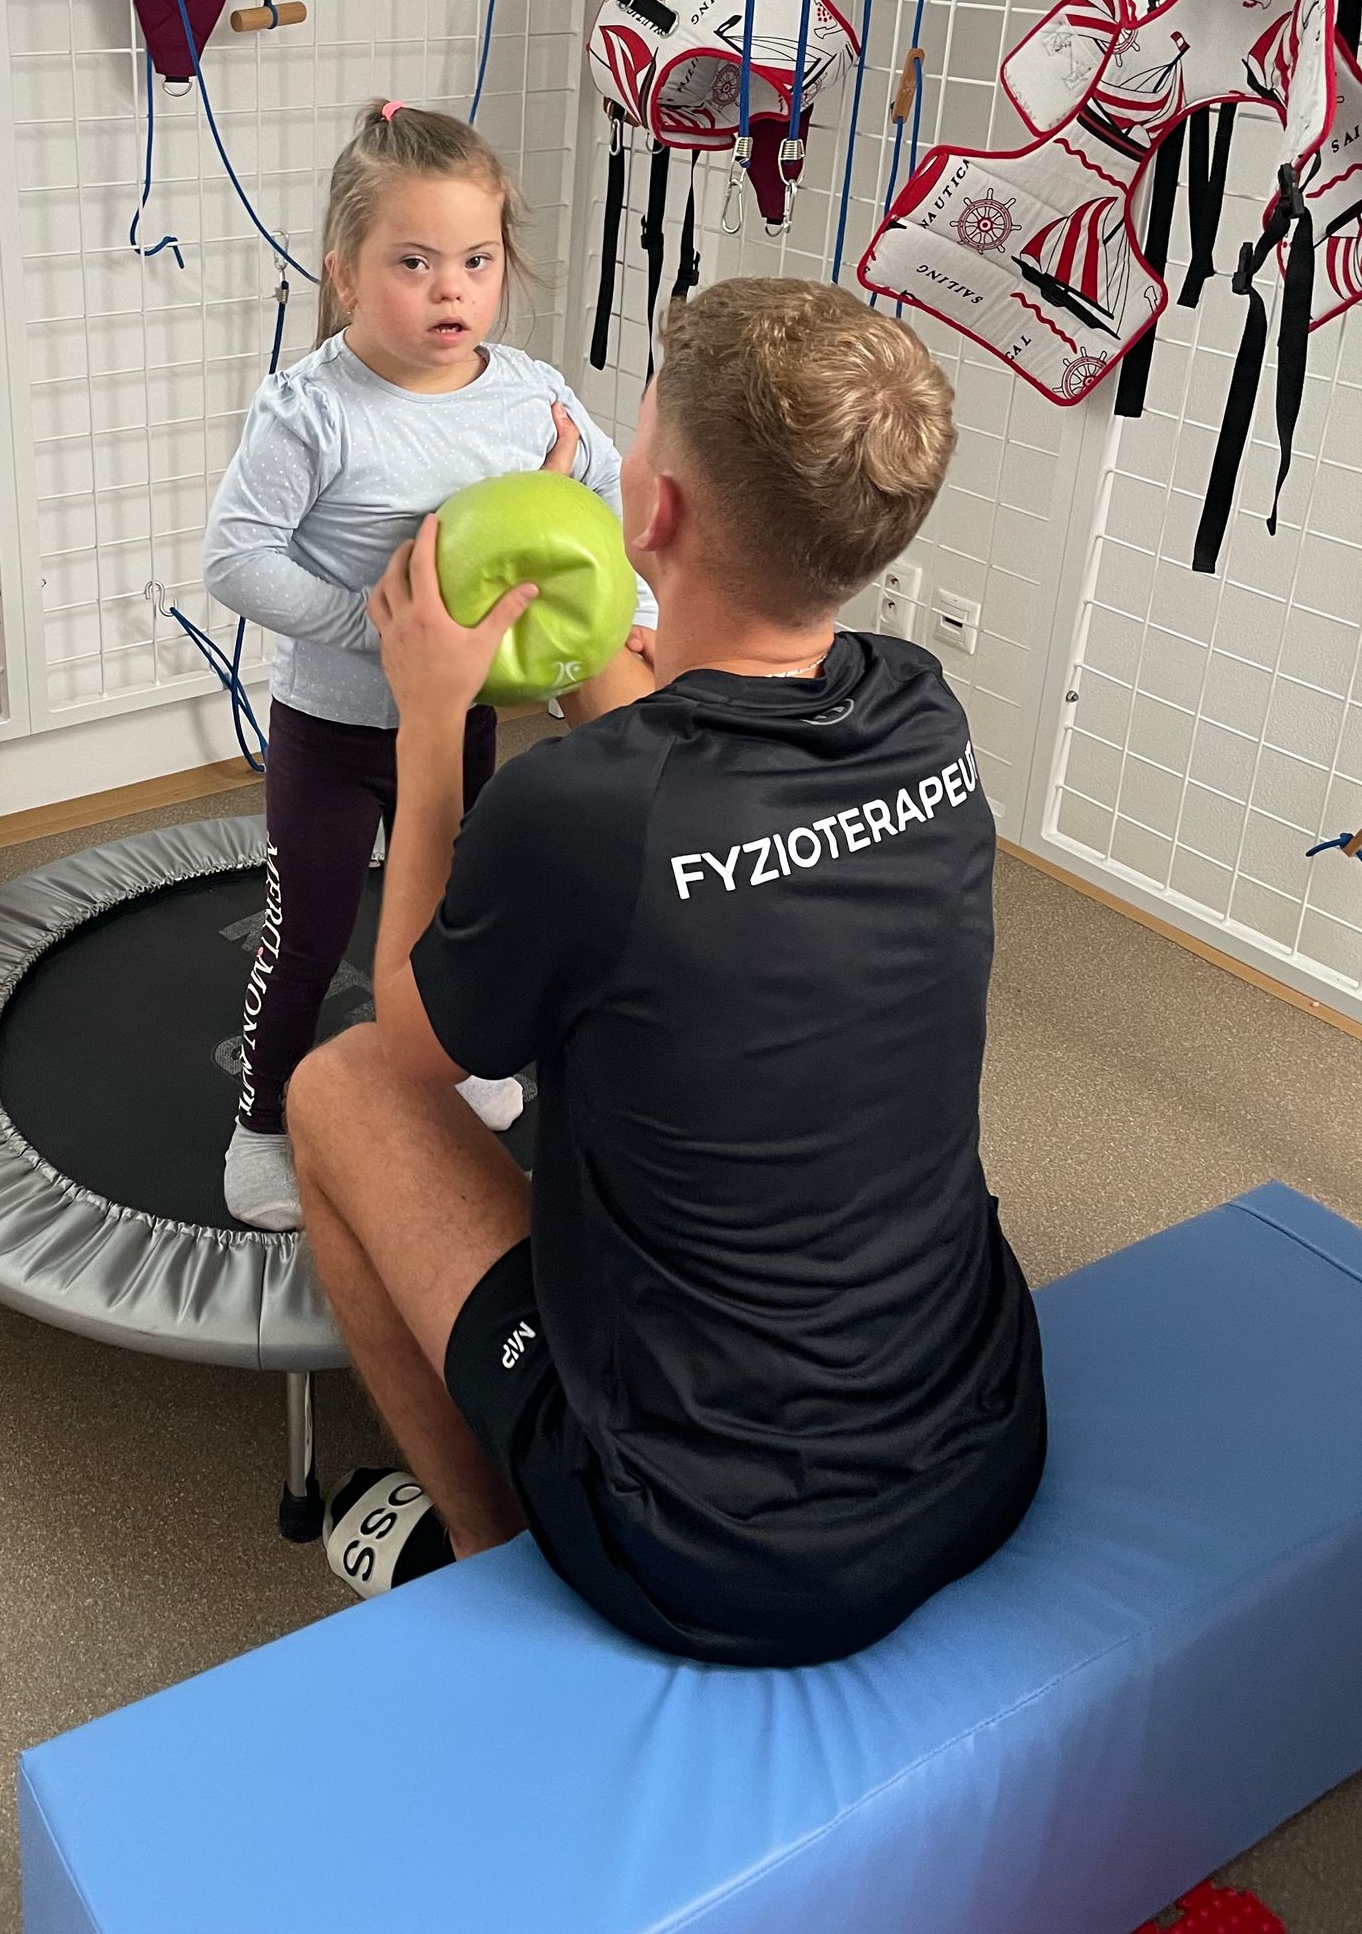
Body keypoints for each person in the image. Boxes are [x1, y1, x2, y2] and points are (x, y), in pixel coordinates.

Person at [287, 277, 1047, 1667]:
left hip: (713, 1549)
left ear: (662, 511)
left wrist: (431, 718)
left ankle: (480, 1549)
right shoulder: (917, 713)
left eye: (639, 432)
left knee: (336, 1088)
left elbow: (417, 1038)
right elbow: (692, 764)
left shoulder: (572, 816)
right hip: (984, 1446)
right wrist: (586, 653)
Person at [202, 99, 655, 1232]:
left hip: (467, 725)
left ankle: (461, 1058)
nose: (451, 289)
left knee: (466, 910)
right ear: (347, 273)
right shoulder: (311, 411)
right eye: (414, 262)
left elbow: (607, 505)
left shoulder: (531, 393)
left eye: (476, 259)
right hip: (334, 727)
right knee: (306, 929)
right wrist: (386, 637)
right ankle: (261, 1120)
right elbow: (235, 558)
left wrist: (633, 613)